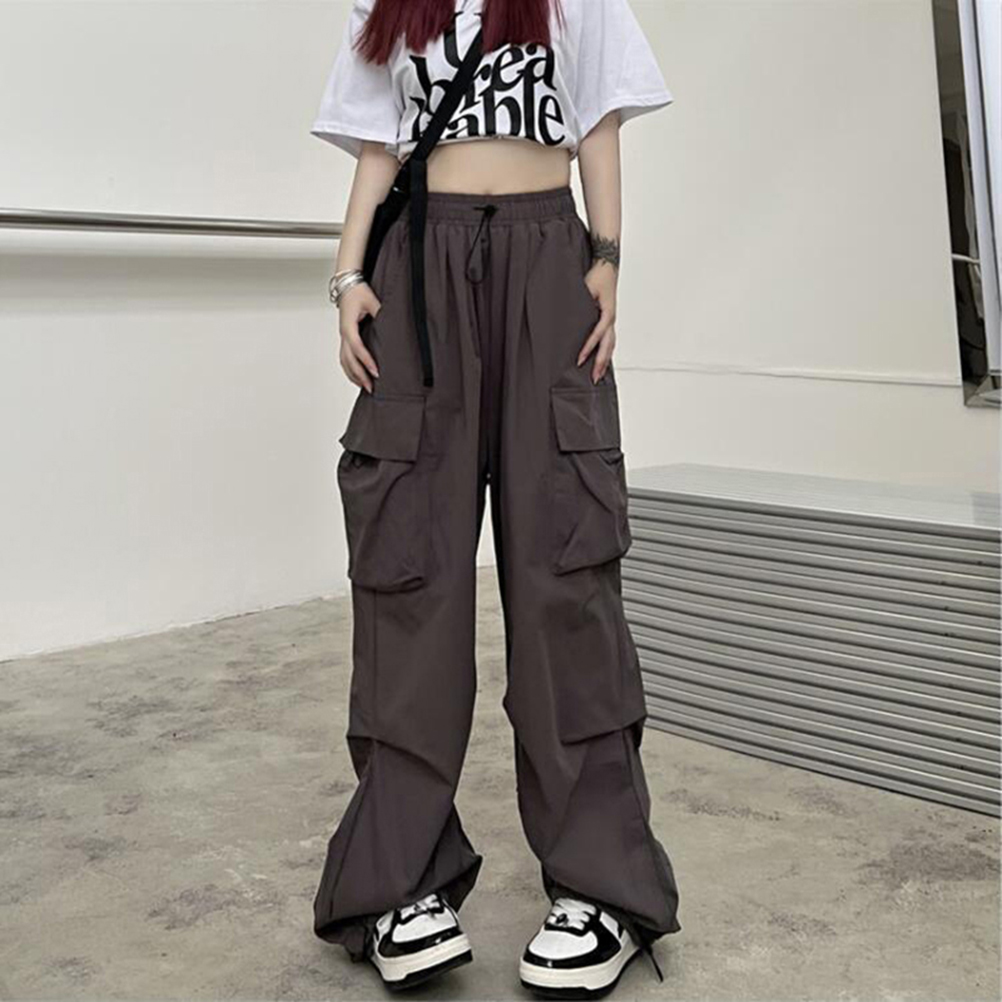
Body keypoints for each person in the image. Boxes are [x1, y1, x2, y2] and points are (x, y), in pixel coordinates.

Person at [309, 0, 681, 996]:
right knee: (408, 569)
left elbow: (597, 119)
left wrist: (607, 257)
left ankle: (601, 887)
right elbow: (380, 143)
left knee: (567, 569)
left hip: (545, 255)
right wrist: (348, 274)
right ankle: (400, 882)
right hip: (416, 266)